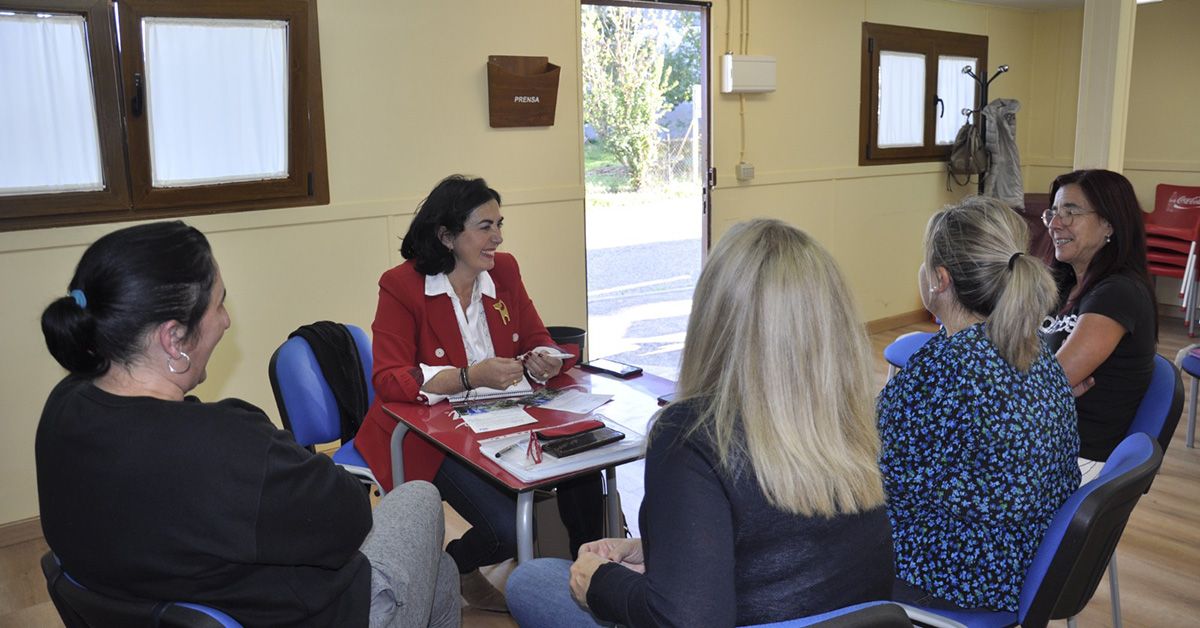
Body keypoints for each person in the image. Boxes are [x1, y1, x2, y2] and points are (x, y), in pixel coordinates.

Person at [36, 221, 459, 628]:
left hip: (157, 599)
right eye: (219, 303)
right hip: (319, 616)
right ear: (173, 338)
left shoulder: (64, 408)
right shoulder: (225, 444)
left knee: (439, 572)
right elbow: (351, 520)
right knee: (418, 497)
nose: (225, 320)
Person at [505, 219, 895, 627]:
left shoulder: (692, 435)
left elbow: (686, 620)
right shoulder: (852, 421)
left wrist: (601, 582)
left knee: (532, 581)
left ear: (714, 319)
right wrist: (658, 551)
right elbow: (790, 538)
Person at [355, 175, 603, 612]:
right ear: (446, 235)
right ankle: (454, 568)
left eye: (499, 224)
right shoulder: (401, 286)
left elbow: (534, 335)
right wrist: (468, 377)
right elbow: (390, 379)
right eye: (486, 226)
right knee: (507, 532)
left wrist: (543, 357)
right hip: (432, 436)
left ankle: (593, 587)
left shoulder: (504, 270)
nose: (498, 237)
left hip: (506, 421)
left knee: (585, 471)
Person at [878, 196, 1081, 612]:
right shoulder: (1033, 348)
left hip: (958, 577)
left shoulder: (945, 367)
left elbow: (871, 471)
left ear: (939, 279)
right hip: (1025, 562)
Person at [1039, 169, 1157, 481]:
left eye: (1071, 211)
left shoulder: (1118, 292)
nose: (1054, 223)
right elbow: (1010, 357)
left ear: (1110, 223)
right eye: (1053, 211)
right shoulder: (1061, 284)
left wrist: (1044, 385)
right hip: (1039, 438)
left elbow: (1046, 383)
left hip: (1076, 459)